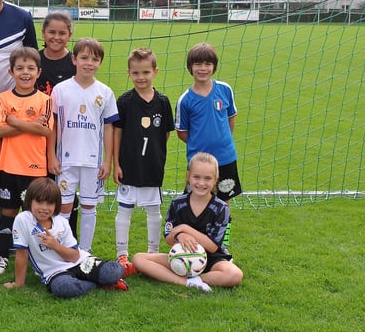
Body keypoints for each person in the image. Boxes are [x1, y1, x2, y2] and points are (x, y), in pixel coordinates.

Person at [132, 152, 243, 292]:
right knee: (138, 259)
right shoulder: (177, 204)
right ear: (188, 177)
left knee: (235, 275)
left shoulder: (221, 208)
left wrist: (184, 228)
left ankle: (199, 278)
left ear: (215, 180)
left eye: (207, 178)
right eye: (196, 177)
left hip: (212, 259)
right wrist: (180, 235)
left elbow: (212, 246)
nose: (201, 183)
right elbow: (169, 239)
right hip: (181, 256)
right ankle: (187, 282)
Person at [47, 38, 119, 253]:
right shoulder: (60, 90)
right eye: (84, 58)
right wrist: (51, 155)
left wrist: (107, 160)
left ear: (100, 62)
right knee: (64, 208)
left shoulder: (105, 92)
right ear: (74, 59)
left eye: (95, 59)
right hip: (65, 161)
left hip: (92, 162)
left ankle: (85, 253)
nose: (89, 63)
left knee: (89, 207)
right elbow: (53, 126)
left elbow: (109, 128)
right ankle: (62, 251)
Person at [3, 177, 129, 297]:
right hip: (55, 271)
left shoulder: (61, 222)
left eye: (50, 203)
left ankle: (120, 272)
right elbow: (22, 253)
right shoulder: (23, 220)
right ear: (30, 201)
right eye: (39, 202)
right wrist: (18, 284)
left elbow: (75, 256)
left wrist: (55, 245)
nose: (44, 208)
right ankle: (98, 284)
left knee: (113, 271)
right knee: (64, 287)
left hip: (79, 262)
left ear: (56, 205)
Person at [0, 47, 53, 276]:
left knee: (35, 215)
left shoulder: (45, 100)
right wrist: (31, 125)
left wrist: (15, 122)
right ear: (11, 72)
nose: (25, 72)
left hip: (35, 168)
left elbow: (45, 131)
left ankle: (38, 259)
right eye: (20, 68)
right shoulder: (3, 99)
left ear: (38, 72)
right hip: (8, 166)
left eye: (30, 68)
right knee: (7, 213)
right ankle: (2, 256)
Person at [112, 48, 175, 276]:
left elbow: (165, 134)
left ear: (155, 72)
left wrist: (153, 154)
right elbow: (117, 133)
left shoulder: (163, 102)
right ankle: (122, 254)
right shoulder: (125, 101)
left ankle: (152, 253)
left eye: (146, 72)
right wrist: (116, 164)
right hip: (128, 165)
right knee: (124, 209)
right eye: (136, 73)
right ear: (129, 73)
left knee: (153, 210)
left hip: (152, 166)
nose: (141, 77)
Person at [174, 42, 242, 250]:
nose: (202, 68)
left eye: (207, 64)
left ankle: (222, 243)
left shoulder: (225, 90)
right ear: (190, 67)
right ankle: (193, 242)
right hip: (199, 163)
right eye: (198, 64)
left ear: (214, 66)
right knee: (195, 200)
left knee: (224, 202)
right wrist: (200, 147)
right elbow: (182, 132)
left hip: (225, 158)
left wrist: (222, 141)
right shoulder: (185, 100)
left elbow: (230, 119)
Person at [35, 10, 80, 240]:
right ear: (43, 32)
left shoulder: (75, 62)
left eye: (62, 33)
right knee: (38, 188)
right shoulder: (34, 60)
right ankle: (35, 236)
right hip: (34, 136)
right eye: (51, 32)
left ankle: (69, 237)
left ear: (70, 35)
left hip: (66, 137)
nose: (56, 37)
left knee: (65, 188)